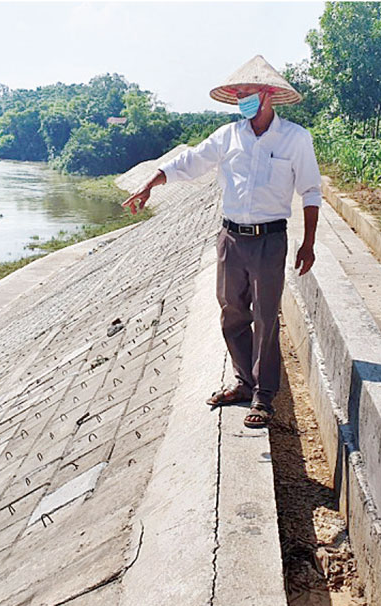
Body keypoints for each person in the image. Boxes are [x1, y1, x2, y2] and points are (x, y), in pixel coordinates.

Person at [122, 55, 321, 429]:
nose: (242, 99)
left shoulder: (295, 138)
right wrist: (151, 183)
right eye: (238, 94)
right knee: (232, 312)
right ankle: (244, 382)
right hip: (231, 238)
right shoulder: (228, 137)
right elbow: (190, 162)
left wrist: (308, 243)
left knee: (265, 317)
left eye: (248, 93)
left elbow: (310, 191)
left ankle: (263, 396)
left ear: (267, 94)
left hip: (269, 239)